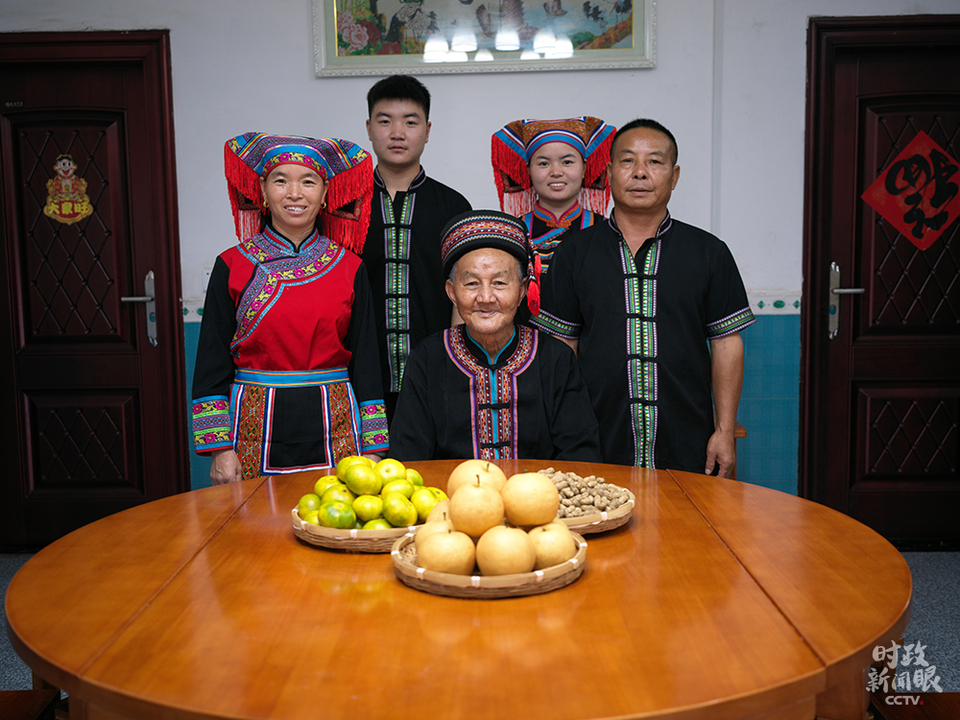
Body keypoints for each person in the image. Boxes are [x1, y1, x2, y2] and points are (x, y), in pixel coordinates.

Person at [532, 119, 755, 477]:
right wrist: (564, 432)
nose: (640, 173)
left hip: (688, 437)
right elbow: (561, 347)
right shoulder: (574, 253)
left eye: (654, 161)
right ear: (609, 173)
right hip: (595, 438)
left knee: (688, 515)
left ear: (674, 176)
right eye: (627, 161)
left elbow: (726, 343)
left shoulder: (708, 252)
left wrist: (725, 430)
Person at [192, 132, 388, 484]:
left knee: (334, 511)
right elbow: (211, 363)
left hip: (336, 426)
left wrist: (374, 446)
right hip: (253, 428)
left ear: (325, 194)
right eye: (281, 181)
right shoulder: (232, 265)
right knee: (253, 518)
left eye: (308, 182)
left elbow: (367, 364)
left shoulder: (349, 267)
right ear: (263, 190)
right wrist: (220, 449)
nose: (294, 193)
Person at [390, 210, 601, 462]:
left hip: (538, 488)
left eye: (500, 283)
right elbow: (410, 460)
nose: (486, 298)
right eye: (471, 284)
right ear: (452, 292)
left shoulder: (555, 359)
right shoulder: (427, 359)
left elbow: (580, 455)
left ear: (522, 290)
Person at [361, 75, 472, 420]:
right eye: (385, 121)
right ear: (369, 128)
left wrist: (456, 366)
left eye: (410, 122)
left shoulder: (453, 206)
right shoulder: (344, 206)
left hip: (437, 374)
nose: (397, 133)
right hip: (358, 376)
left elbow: (465, 291)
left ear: (427, 130)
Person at [491, 116, 615, 275]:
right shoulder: (513, 233)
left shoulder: (607, 231)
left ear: (584, 169)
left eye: (567, 162)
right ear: (529, 171)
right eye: (544, 163)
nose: (556, 172)